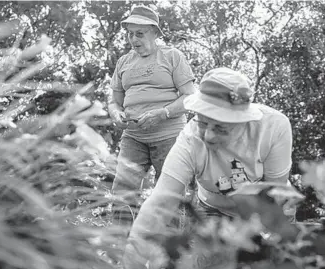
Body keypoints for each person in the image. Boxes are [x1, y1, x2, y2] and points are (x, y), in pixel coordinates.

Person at [123, 67, 294, 269]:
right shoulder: (190, 139)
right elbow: (160, 204)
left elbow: (273, 194)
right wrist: (132, 260)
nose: (208, 136)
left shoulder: (273, 128)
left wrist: (245, 243)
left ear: (243, 121)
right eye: (203, 123)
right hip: (213, 209)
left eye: (220, 128)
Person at [108, 5, 195, 224]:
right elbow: (114, 100)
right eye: (130, 34)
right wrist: (116, 113)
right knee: (123, 191)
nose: (133, 39)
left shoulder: (172, 56)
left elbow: (190, 97)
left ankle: (167, 254)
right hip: (133, 137)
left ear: (155, 33)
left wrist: (163, 113)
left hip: (169, 136)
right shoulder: (123, 62)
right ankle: (120, 248)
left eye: (140, 33)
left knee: (168, 195)